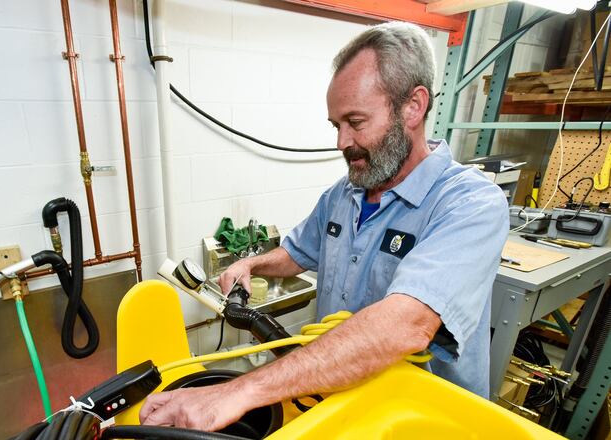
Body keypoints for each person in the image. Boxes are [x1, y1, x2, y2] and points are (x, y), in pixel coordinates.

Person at [140, 21, 509, 431]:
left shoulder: (470, 204)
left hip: (423, 421)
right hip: (343, 408)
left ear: (413, 107)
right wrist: (254, 265)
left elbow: (404, 327)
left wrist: (238, 391)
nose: (340, 142)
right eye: (336, 125)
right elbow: (298, 253)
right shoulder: (344, 194)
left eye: (355, 121)